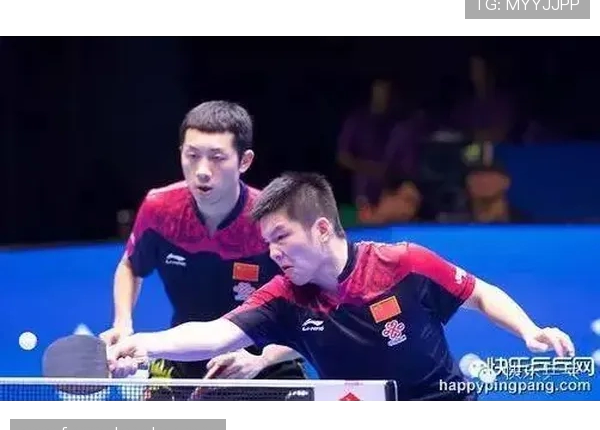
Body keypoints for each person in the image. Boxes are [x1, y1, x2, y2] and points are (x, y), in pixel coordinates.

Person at [108, 172, 575, 401]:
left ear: (321, 229)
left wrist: (529, 330)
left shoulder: (403, 263)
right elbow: (215, 334)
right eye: (267, 242)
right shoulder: (285, 295)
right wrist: (142, 343)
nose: (273, 253)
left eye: (281, 237)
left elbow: (479, 293)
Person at [100, 101, 306, 399]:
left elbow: (317, 315)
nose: (202, 171)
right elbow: (131, 265)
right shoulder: (160, 210)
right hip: (183, 356)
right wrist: (122, 323)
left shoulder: (272, 221)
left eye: (217, 158)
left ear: (244, 161)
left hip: (264, 360)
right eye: (192, 155)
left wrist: (262, 359)